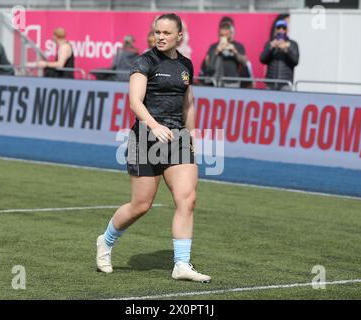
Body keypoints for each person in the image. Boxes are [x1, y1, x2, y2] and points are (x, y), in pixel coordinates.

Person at [96, 13, 211, 283]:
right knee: (141, 205)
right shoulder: (144, 61)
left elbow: (188, 103)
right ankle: (106, 241)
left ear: (178, 36)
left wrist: (192, 135)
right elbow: (135, 101)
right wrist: (153, 125)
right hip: (145, 139)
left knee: (188, 199)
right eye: (157, 32)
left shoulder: (186, 65)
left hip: (178, 139)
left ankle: (181, 264)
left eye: (166, 33)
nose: (160, 36)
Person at [200, 21, 248, 87]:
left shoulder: (238, 46)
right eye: (221, 35)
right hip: (217, 82)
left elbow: (244, 62)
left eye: (226, 35)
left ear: (231, 33)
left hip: (233, 82)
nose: (223, 37)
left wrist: (235, 51)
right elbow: (208, 64)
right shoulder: (214, 46)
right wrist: (216, 52)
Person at [260, 20, 299, 90]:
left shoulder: (293, 44)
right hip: (271, 82)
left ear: (287, 30)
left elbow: (295, 61)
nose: (281, 30)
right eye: (279, 28)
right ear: (275, 30)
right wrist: (271, 48)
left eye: (283, 28)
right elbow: (262, 59)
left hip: (285, 83)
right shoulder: (270, 43)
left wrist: (286, 50)